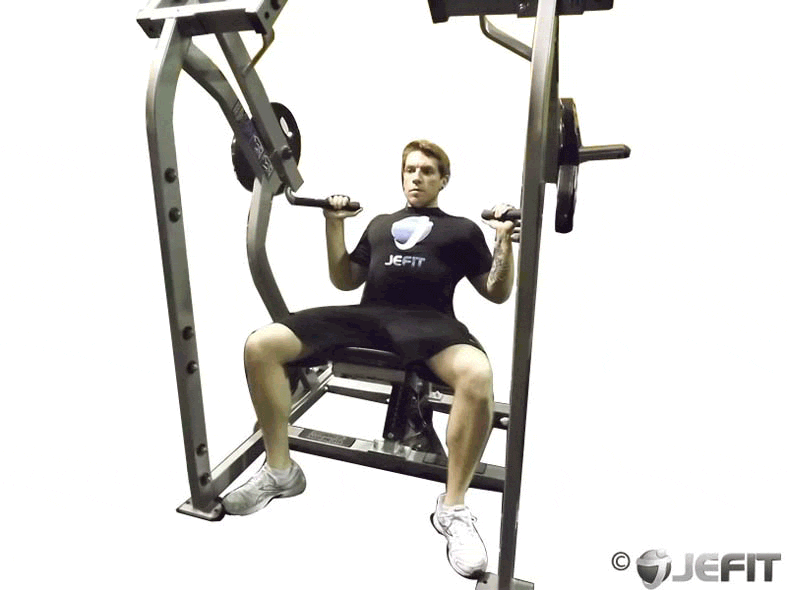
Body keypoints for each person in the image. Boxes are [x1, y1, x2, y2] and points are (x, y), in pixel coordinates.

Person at [222, 139, 518, 580]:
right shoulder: (380, 224)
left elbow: (496, 292)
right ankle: (280, 471)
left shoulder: (461, 230)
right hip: (368, 317)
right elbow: (345, 280)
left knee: (477, 375)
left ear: (443, 180)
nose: (416, 177)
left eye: (427, 171)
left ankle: (453, 507)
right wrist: (333, 224)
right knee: (261, 345)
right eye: (410, 169)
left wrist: (503, 240)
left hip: (430, 322)